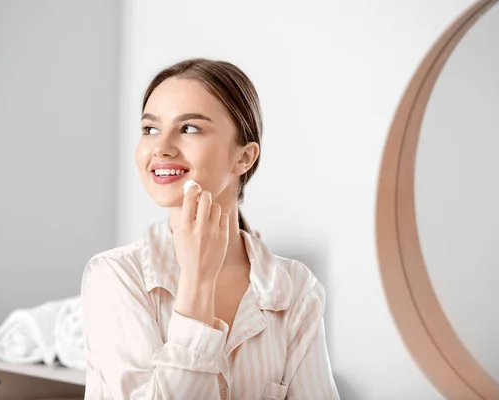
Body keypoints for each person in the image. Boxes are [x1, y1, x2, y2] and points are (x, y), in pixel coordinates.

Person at [81, 58, 339, 399]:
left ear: (244, 158)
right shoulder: (114, 276)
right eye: (150, 129)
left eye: (189, 128)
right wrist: (198, 282)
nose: (160, 147)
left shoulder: (296, 289)